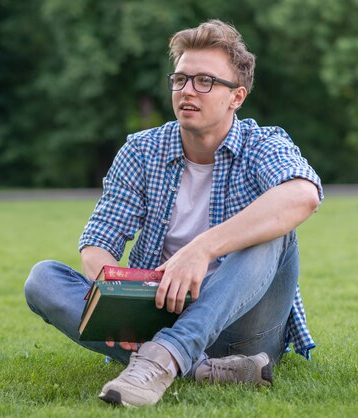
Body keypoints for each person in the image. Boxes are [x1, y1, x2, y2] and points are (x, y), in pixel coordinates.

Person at [24, 19, 323, 407]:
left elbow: (303, 195)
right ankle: (203, 368)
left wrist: (202, 249)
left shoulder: (262, 143)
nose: (187, 91)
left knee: (274, 231)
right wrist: (119, 302)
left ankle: (163, 360)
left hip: (245, 328)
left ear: (237, 97)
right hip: (159, 315)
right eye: (180, 80)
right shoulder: (141, 150)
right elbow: (98, 242)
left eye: (205, 82)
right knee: (43, 279)